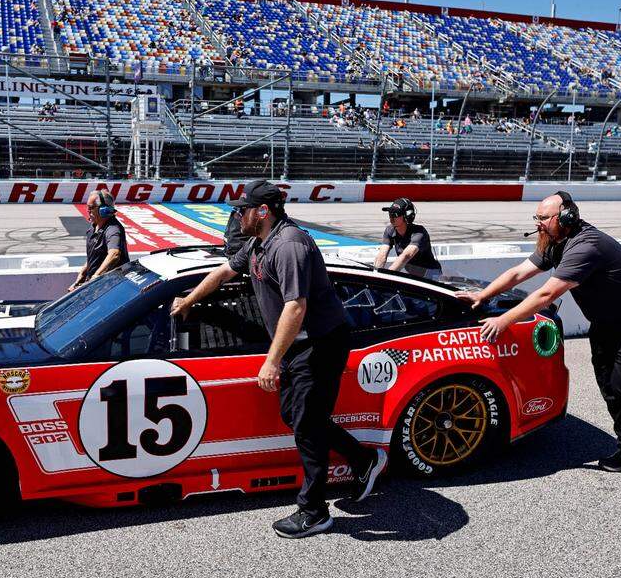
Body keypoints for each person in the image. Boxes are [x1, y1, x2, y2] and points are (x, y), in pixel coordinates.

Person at [170, 179, 386, 539]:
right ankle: (363, 460)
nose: (237, 216)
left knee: (307, 425)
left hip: (319, 343)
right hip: (297, 344)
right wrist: (189, 300)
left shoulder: (289, 245)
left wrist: (271, 361)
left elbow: (295, 306)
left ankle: (314, 512)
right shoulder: (258, 242)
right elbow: (224, 272)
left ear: (262, 211)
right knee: (296, 416)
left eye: (242, 210)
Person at [454, 192, 621, 480]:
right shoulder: (555, 242)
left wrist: (504, 321)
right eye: (537, 217)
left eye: (543, 218)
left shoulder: (586, 246)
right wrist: (482, 295)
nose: (538, 223)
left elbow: (547, 293)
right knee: (609, 387)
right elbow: (519, 273)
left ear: (566, 217)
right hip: (605, 323)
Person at [68, 190, 129, 292]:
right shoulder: (93, 227)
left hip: (110, 288)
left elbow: (114, 254)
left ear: (103, 210)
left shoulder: (113, 229)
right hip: (96, 285)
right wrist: (82, 274)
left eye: (91, 208)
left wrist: (95, 277)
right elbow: (94, 256)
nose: (88, 211)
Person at [372, 198, 442, 279]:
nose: (391, 217)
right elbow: (381, 255)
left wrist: (388, 276)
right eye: (390, 213)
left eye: (396, 214)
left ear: (407, 216)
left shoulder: (419, 232)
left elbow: (407, 255)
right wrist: (375, 275)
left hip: (431, 274)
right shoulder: (390, 230)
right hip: (415, 275)